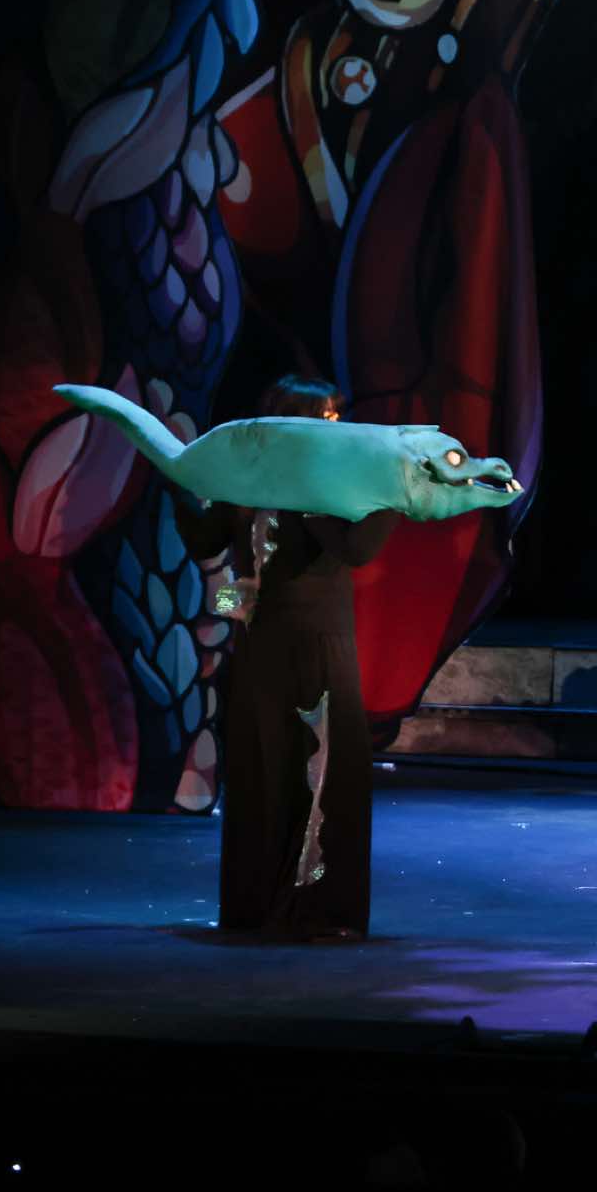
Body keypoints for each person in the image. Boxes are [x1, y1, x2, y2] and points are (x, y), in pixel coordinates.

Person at [174, 375, 400, 941]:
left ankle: (323, 910)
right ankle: (256, 907)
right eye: (325, 415)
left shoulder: (347, 479)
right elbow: (206, 545)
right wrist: (180, 478)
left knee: (324, 776)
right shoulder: (247, 481)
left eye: (337, 414)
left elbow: (358, 549)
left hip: (322, 644)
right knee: (262, 772)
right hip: (260, 649)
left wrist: (313, 491)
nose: (337, 424)